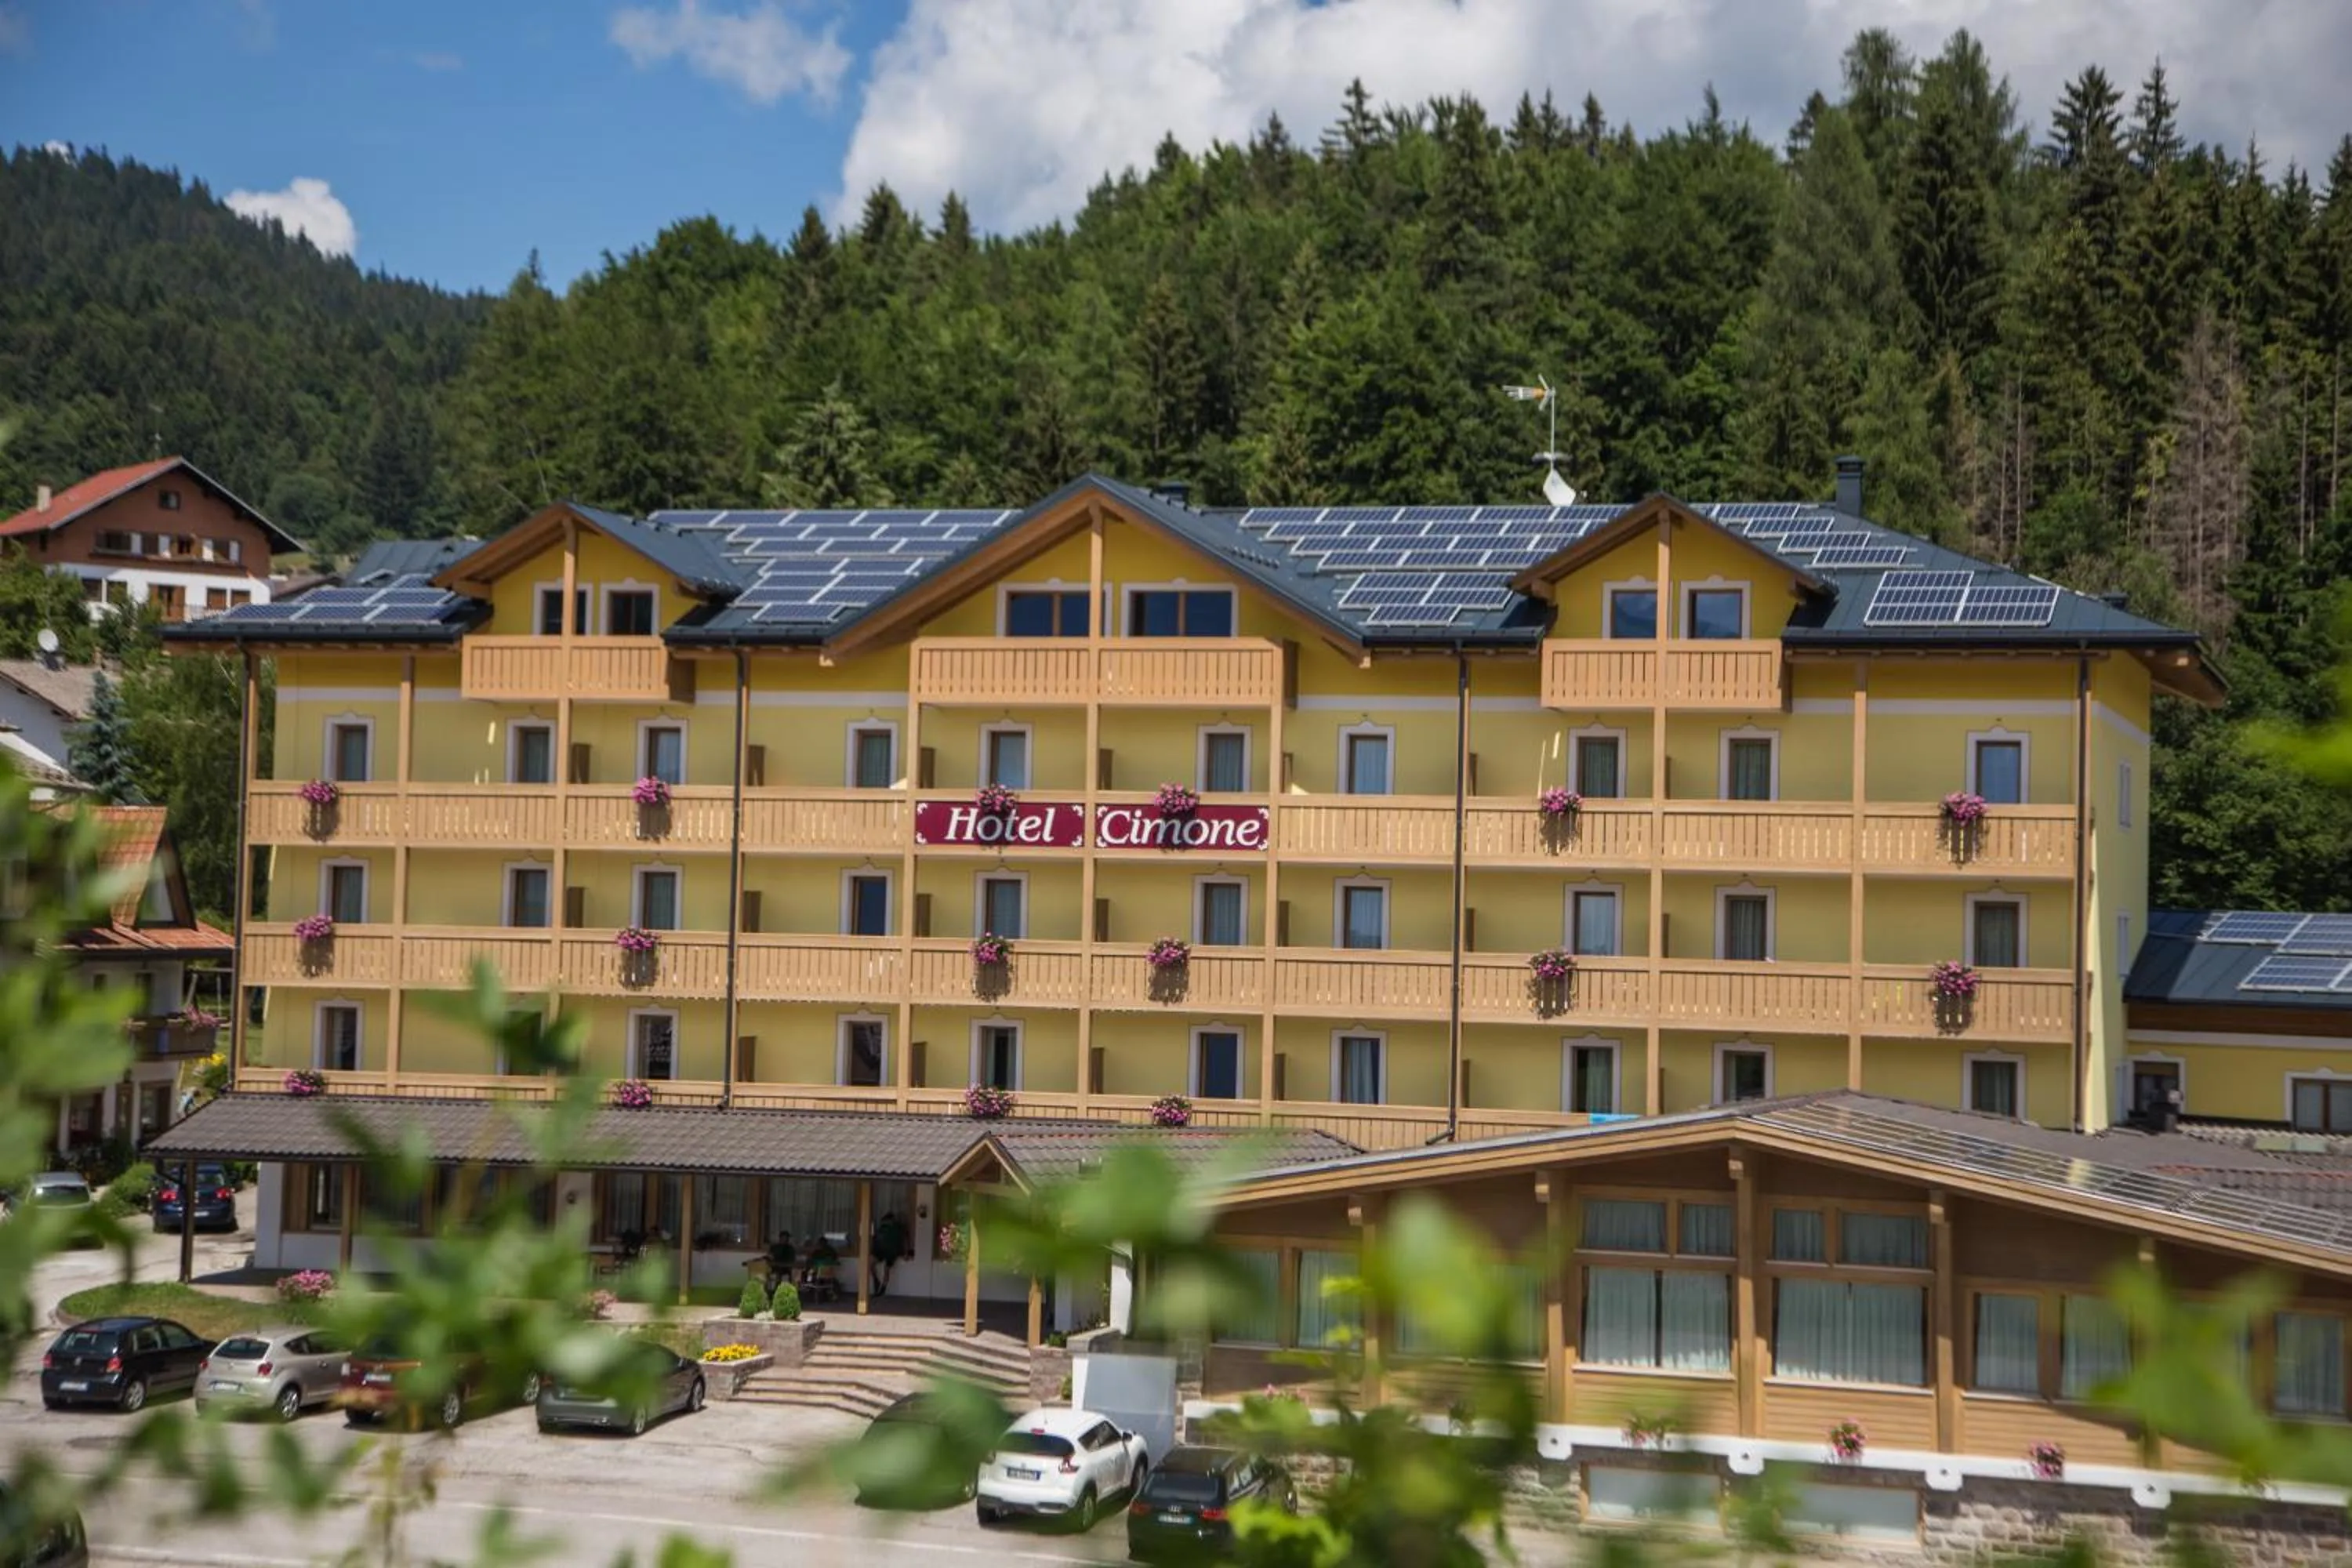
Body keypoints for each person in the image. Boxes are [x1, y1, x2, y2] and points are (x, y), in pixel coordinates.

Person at [871, 1210, 908, 1298]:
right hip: (880, 1250)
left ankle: (883, 1288)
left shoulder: (898, 1228)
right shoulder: (882, 1228)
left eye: (887, 1221)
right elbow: (875, 1239)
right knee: (870, 1263)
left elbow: (906, 1239)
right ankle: (876, 1280)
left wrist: (906, 1253)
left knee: (886, 1269)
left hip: (892, 1252)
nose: (886, 1223)